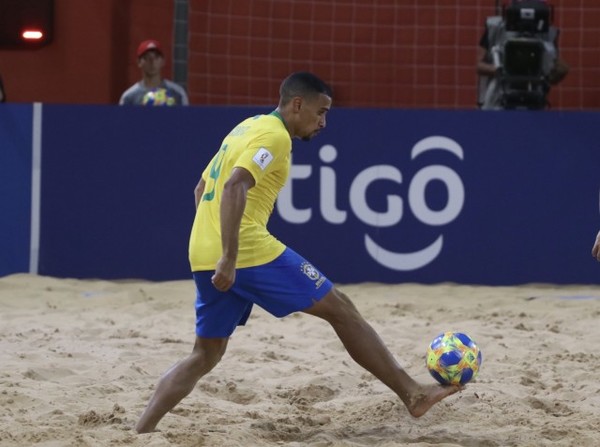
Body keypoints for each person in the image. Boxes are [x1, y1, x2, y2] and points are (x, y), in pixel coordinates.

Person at [134, 72, 462, 434]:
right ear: (297, 104)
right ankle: (413, 394)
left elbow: (201, 188)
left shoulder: (247, 127)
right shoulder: (275, 136)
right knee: (341, 308)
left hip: (201, 250)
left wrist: (213, 245)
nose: (323, 122)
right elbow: (233, 186)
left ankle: (141, 431)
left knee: (205, 354)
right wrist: (229, 254)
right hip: (243, 248)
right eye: (320, 112)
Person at [477, 0, 569, 110]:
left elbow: (553, 72)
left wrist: (555, 72)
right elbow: (479, 65)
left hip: (535, 97)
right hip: (499, 98)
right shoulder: (495, 28)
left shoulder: (548, 33)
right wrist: (500, 70)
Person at [119, 39, 189, 106]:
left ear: (162, 61)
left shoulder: (177, 93)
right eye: (146, 57)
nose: (152, 62)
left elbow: (186, 117)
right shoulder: (129, 97)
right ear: (139, 62)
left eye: (156, 57)